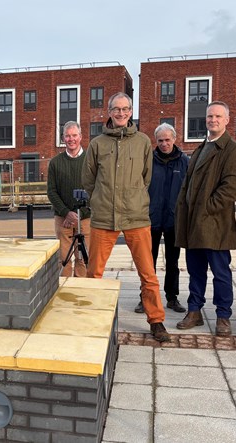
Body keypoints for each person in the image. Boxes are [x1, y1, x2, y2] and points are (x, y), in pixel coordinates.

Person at [83, 92, 170, 342]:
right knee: (94, 273)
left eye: (125, 109)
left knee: (148, 273)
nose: (121, 113)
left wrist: (133, 197)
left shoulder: (143, 141)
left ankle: (156, 321)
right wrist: (100, 199)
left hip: (136, 217)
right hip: (104, 218)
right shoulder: (97, 144)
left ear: (131, 112)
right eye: (116, 109)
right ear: (109, 112)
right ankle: (92, 318)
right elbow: (89, 180)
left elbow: (146, 177)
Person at [175, 101, 236, 337]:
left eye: (217, 116)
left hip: (215, 224)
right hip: (194, 222)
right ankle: (194, 311)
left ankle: (223, 316)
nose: (213, 120)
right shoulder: (200, 147)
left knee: (221, 273)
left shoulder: (233, 149)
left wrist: (207, 208)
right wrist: (184, 208)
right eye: (209, 116)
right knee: (196, 272)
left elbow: (232, 187)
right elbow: (188, 182)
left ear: (227, 120)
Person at [143, 123, 188, 314]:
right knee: (147, 263)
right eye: (160, 140)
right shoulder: (148, 161)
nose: (164, 144)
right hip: (151, 219)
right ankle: (145, 298)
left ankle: (172, 297)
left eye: (167, 140)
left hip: (173, 220)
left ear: (175, 139)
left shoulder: (184, 162)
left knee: (173, 262)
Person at [47, 121, 91, 277]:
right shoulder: (55, 163)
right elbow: (51, 191)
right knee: (63, 258)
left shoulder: (90, 160)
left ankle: (81, 291)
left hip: (85, 218)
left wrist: (80, 214)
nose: (71, 139)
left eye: (74, 135)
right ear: (63, 138)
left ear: (80, 136)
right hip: (63, 218)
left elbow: (96, 189)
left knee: (83, 259)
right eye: (67, 136)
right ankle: (64, 291)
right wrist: (66, 213)